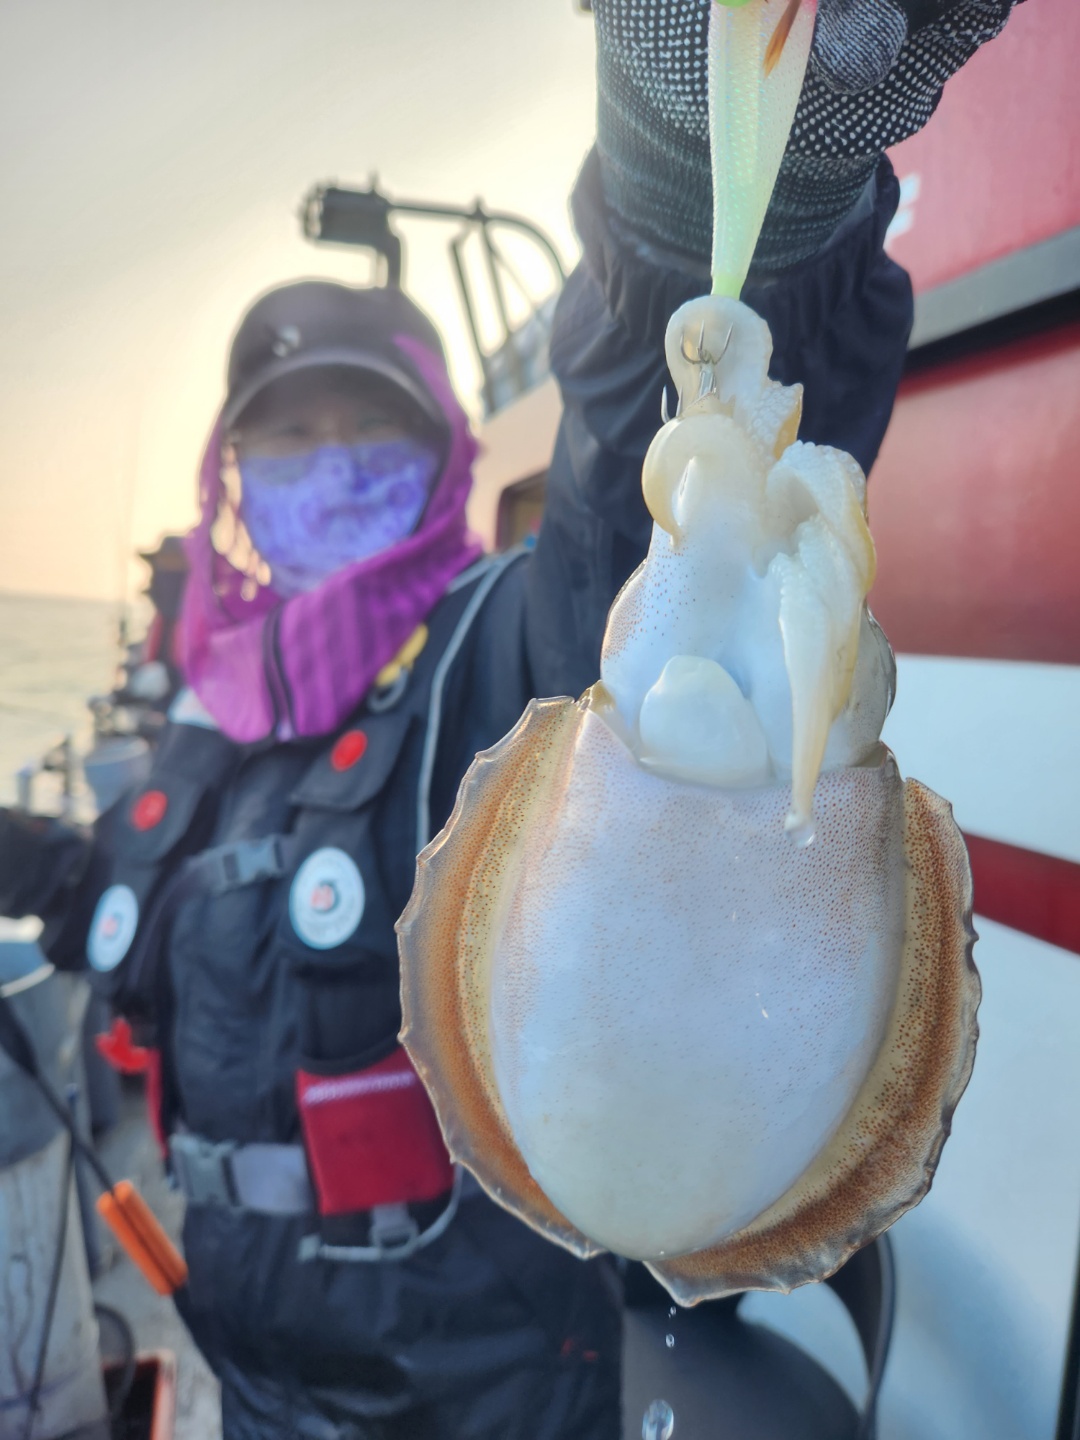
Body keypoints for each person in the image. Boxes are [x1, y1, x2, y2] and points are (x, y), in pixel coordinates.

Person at [0, 2, 1017, 1435]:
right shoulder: (205, 715)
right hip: (251, 1377)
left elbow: (651, 493)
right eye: (286, 436)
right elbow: (114, 897)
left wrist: (713, 176)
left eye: (371, 429)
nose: (328, 462)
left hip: (485, 1389)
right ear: (233, 477)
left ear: (441, 453)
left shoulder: (506, 641)